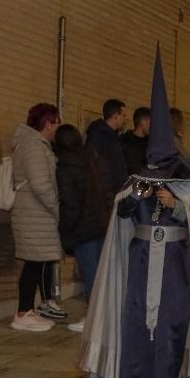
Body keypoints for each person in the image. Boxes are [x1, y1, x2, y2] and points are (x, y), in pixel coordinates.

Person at [79, 48, 190, 378]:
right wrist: (135, 197)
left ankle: (166, 375)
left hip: (174, 261)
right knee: (137, 314)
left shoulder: (185, 179)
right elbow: (121, 212)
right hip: (141, 259)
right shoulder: (138, 178)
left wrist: (179, 205)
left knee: (171, 316)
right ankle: (137, 372)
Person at [9, 103, 62, 332]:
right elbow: (41, 185)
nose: (56, 129)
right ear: (48, 124)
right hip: (35, 215)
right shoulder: (34, 147)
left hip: (34, 215)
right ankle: (23, 313)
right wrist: (55, 207)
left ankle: (27, 310)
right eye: (55, 124)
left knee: (35, 263)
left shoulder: (33, 145)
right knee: (32, 264)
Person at [54, 124, 112, 313]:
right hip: (101, 223)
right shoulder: (95, 159)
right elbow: (107, 191)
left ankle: (95, 319)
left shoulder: (65, 166)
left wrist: (64, 232)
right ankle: (104, 316)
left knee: (91, 275)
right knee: (103, 274)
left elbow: (69, 203)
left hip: (82, 229)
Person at [87, 99, 130, 193]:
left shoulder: (114, 138)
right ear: (115, 116)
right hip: (106, 192)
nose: (125, 119)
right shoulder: (98, 136)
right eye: (123, 115)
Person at [121, 106, 151, 177]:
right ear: (143, 121)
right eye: (150, 122)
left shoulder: (151, 144)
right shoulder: (124, 142)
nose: (152, 126)